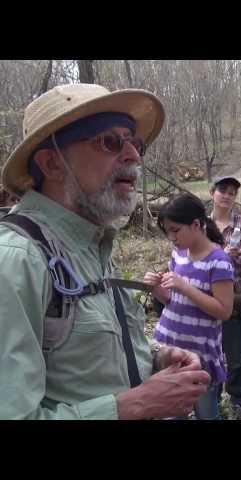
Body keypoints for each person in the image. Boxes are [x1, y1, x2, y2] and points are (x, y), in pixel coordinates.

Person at [0, 83, 210, 419]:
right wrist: (137, 403)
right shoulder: (16, 261)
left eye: (135, 143)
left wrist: (156, 359)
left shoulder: (92, 246)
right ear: (53, 164)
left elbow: (88, 362)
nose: (134, 156)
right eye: (110, 142)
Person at [144, 193, 234, 419]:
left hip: (199, 355)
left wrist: (185, 287)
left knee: (206, 413)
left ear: (196, 225)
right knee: (172, 412)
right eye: (167, 232)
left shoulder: (219, 260)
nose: (171, 237)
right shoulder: (179, 254)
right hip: (169, 348)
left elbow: (224, 310)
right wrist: (157, 289)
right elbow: (174, 302)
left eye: (175, 230)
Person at [209, 175, 241, 419]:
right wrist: (223, 255)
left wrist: (214, 258)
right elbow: (190, 258)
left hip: (240, 301)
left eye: (232, 192)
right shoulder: (201, 225)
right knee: (211, 354)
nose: (227, 195)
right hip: (207, 302)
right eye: (222, 190)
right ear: (212, 193)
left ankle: (237, 401)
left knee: (237, 357)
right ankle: (213, 401)